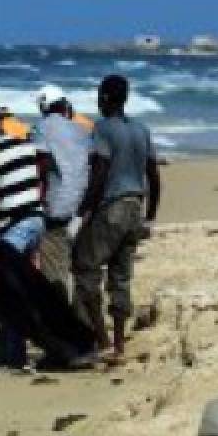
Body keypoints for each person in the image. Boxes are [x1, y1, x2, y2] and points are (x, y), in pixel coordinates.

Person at [73, 74, 161, 357]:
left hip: (112, 207)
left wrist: (83, 209)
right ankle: (120, 342)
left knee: (86, 267)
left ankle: (101, 338)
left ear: (107, 98)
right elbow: (154, 175)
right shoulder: (141, 130)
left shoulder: (103, 129)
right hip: (136, 206)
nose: (98, 101)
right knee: (121, 277)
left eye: (100, 95)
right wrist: (151, 215)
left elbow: (99, 172)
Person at [0, 105, 46, 367]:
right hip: (37, 220)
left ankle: (14, 353)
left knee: (9, 289)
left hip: (14, 227)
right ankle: (7, 344)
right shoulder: (26, 146)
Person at [34, 84, 92, 299]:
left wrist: (37, 202)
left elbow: (41, 167)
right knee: (78, 267)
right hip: (83, 205)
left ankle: (58, 320)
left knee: (53, 272)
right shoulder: (81, 129)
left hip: (57, 205)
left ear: (43, 106)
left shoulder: (42, 127)